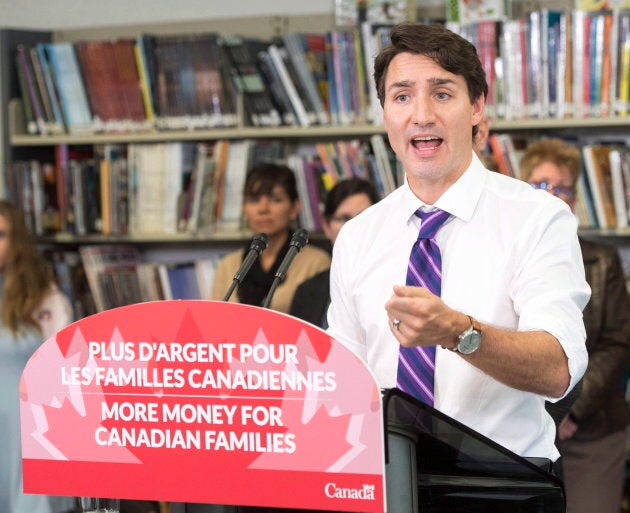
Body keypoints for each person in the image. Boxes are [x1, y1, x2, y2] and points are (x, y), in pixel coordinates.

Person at [326, 22, 590, 461]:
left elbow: (557, 370)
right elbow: (343, 381)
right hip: (381, 478)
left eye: (442, 94)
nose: (422, 115)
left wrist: (459, 331)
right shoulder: (357, 235)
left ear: (477, 107)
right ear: (385, 113)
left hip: (498, 485)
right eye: (402, 96)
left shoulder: (538, 218)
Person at [520, 137, 630, 513]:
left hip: (592, 431)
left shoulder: (603, 260)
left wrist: (568, 410)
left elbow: (618, 343)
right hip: (520, 429)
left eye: (561, 187)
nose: (551, 196)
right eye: (539, 185)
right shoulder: (506, 258)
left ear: (575, 199)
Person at [0, 200, 75, 513]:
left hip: (26, 431)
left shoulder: (47, 299)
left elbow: (66, 375)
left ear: (17, 243)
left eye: (2, 234)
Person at [211, 162, 331, 313]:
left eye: (275, 199)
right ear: (243, 208)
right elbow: (215, 322)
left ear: (295, 208)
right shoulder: (227, 265)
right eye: (254, 200)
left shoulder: (316, 262)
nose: (263, 209)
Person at [290, 177, 379, 328]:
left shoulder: (396, 282)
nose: (354, 227)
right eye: (344, 219)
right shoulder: (307, 291)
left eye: (363, 218)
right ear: (326, 226)